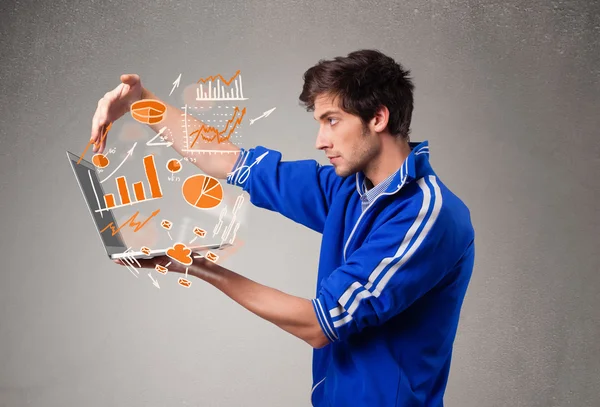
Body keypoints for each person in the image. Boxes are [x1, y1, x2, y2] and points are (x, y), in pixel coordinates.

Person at [90, 49, 475, 407]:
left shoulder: (427, 216)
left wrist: (199, 266)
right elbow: (235, 162)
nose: (320, 141)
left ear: (378, 117)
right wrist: (143, 103)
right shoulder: (348, 189)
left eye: (332, 121)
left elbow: (319, 324)